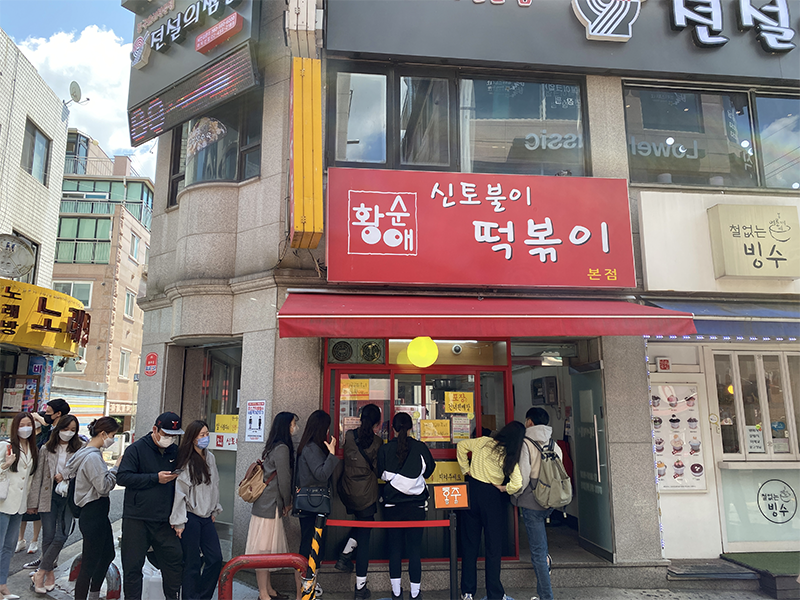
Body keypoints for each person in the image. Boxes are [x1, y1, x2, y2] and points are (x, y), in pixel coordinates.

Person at [117, 411, 184, 600]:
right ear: (155, 429)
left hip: (164, 519)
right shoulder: (136, 449)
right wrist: (155, 478)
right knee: (132, 566)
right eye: (166, 434)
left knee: (174, 559)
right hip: (137, 518)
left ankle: (172, 596)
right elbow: (122, 477)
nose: (169, 439)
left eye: (174, 435)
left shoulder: (174, 451)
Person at [457, 421, 525, 600]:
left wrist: (466, 470)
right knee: (493, 547)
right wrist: (504, 489)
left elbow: (462, 445)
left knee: (469, 544)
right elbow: (517, 483)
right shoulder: (508, 454)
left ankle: (467, 592)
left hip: (472, 492)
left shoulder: (484, 441)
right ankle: (494, 594)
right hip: (492, 496)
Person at [376, 412, 435, 600]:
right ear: (411, 428)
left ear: (392, 428)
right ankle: (415, 594)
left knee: (395, 549)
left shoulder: (385, 450)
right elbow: (429, 470)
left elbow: (381, 474)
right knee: (414, 550)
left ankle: (396, 593)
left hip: (392, 506)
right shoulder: (420, 447)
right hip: (416, 506)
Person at [246, 412, 302, 600]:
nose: (295, 427)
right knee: (263, 550)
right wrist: (288, 503)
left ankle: (268, 589)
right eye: (293, 424)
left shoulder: (273, 446)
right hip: (269, 506)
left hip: (267, 504)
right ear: (286, 426)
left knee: (267, 549)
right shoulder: (282, 449)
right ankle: (263, 594)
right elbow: (284, 479)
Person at [65, 417, 121, 600]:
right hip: (93, 512)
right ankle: (87, 595)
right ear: (103, 434)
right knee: (90, 562)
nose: (113, 439)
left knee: (106, 554)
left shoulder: (85, 452)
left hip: (94, 513)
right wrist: (116, 469)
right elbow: (103, 486)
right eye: (112, 435)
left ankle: (94, 594)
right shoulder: (92, 457)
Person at [27, 415, 82, 593]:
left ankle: (40, 572)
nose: (69, 433)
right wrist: (33, 502)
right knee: (49, 535)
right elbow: (38, 477)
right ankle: (49, 573)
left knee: (62, 535)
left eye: (73, 429)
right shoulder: (46, 448)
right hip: (48, 494)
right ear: (59, 429)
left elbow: (82, 472)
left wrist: (65, 474)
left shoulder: (81, 448)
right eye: (66, 429)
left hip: (69, 495)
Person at [169, 420, 223, 600]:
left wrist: (215, 509)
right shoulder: (186, 461)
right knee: (191, 563)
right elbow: (180, 492)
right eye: (202, 435)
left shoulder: (211, 458)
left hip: (207, 517)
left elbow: (214, 486)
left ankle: (202, 596)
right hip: (190, 517)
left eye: (207, 434)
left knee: (215, 558)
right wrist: (178, 522)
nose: (206, 438)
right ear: (192, 438)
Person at [512, 408, 561, 600]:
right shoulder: (553, 444)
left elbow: (523, 476)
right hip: (550, 500)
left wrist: (514, 494)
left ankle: (546, 596)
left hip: (532, 502)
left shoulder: (526, 443)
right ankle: (545, 566)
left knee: (538, 553)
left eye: (526, 421)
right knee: (540, 547)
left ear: (530, 422)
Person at [335, 404, 382, 600]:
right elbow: (380, 470)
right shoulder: (378, 442)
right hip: (367, 494)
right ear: (377, 423)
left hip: (348, 491)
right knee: (365, 538)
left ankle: (345, 554)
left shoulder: (349, 436)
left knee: (363, 525)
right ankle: (360, 588)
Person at [17, 399, 67, 560]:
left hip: (57, 486)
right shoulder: (48, 432)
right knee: (49, 528)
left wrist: (64, 475)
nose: (45, 415)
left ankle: (47, 561)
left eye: (48, 412)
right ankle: (46, 561)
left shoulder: (60, 434)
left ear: (58, 414)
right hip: (43, 482)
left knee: (57, 530)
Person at [0, 412, 39, 600]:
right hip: (3, 503)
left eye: (29, 424)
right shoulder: (5, 446)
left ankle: (3, 585)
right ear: (15, 427)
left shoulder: (32, 448)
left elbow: (29, 479)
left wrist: (30, 503)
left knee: (8, 547)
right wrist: (5, 465)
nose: (26, 428)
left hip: (19, 505)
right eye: (22, 424)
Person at [295, 410, 338, 577]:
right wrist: (332, 454)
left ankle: (309, 585)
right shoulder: (311, 448)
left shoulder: (311, 446)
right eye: (327, 427)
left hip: (311, 503)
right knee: (310, 545)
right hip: (312, 503)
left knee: (312, 544)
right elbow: (321, 474)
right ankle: (305, 587)